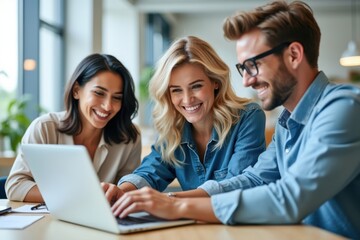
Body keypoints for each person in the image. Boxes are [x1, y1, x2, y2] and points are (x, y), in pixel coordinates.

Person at [107, 2, 360, 239]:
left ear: (293, 55)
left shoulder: (343, 107)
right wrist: (158, 199)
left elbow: (290, 198)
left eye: (253, 65)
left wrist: (178, 205)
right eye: (243, 69)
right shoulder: (287, 121)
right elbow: (255, 179)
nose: (247, 81)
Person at [102, 36, 266, 203]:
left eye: (196, 86)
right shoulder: (173, 125)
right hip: (193, 224)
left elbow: (239, 186)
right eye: (176, 90)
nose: (187, 100)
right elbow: (151, 171)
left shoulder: (248, 117)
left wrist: (170, 200)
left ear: (215, 81)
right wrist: (121, 191)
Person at [5, 53, 141, 202]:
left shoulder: (129, 137)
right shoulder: (44, 128)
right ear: (76, 90)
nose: (108, 106)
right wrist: (78, 196)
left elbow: (129, 190)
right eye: (99, 93)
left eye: (117, 97)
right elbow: (15, 186)